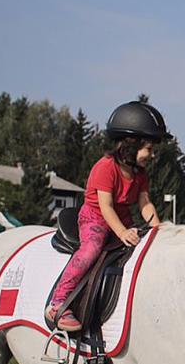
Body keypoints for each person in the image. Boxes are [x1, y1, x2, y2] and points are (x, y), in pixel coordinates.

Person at [44, 101, 168, 332]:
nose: (152, 155)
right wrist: (121, 232)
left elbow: (145, 203)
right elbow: (106, 206)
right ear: (132, 145)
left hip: (121, 220)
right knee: (91, 249)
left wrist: (160, 231)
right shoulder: (105, 167)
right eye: (149, 149)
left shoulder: (139, 174)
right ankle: (57, 302)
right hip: (96, 219)